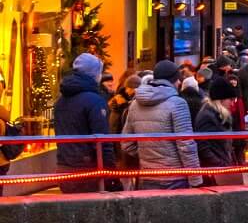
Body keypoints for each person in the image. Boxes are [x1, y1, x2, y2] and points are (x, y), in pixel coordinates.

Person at [123, 60, 202, 190]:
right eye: (178, 80)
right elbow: (186, 144)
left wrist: (147, 155)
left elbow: (126, 143)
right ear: (174, 80)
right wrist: (196, 179)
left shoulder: (135, 104)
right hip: (174, 177)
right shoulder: (177, 104)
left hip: (147, 176)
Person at [52, 52, 113, 193]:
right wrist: (111, 175)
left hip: (64, 166)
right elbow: (103, 141)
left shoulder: (60, 101)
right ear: (94, 74)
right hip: (88, 170)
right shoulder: (94, 101)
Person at [194, 76, 238, 177]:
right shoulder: (207, 116)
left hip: (223, 168)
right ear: (221, 99)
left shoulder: (218, 115)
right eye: (230, 99)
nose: (232, 103)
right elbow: (203, 147)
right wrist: (220, 165)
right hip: (215, 172)